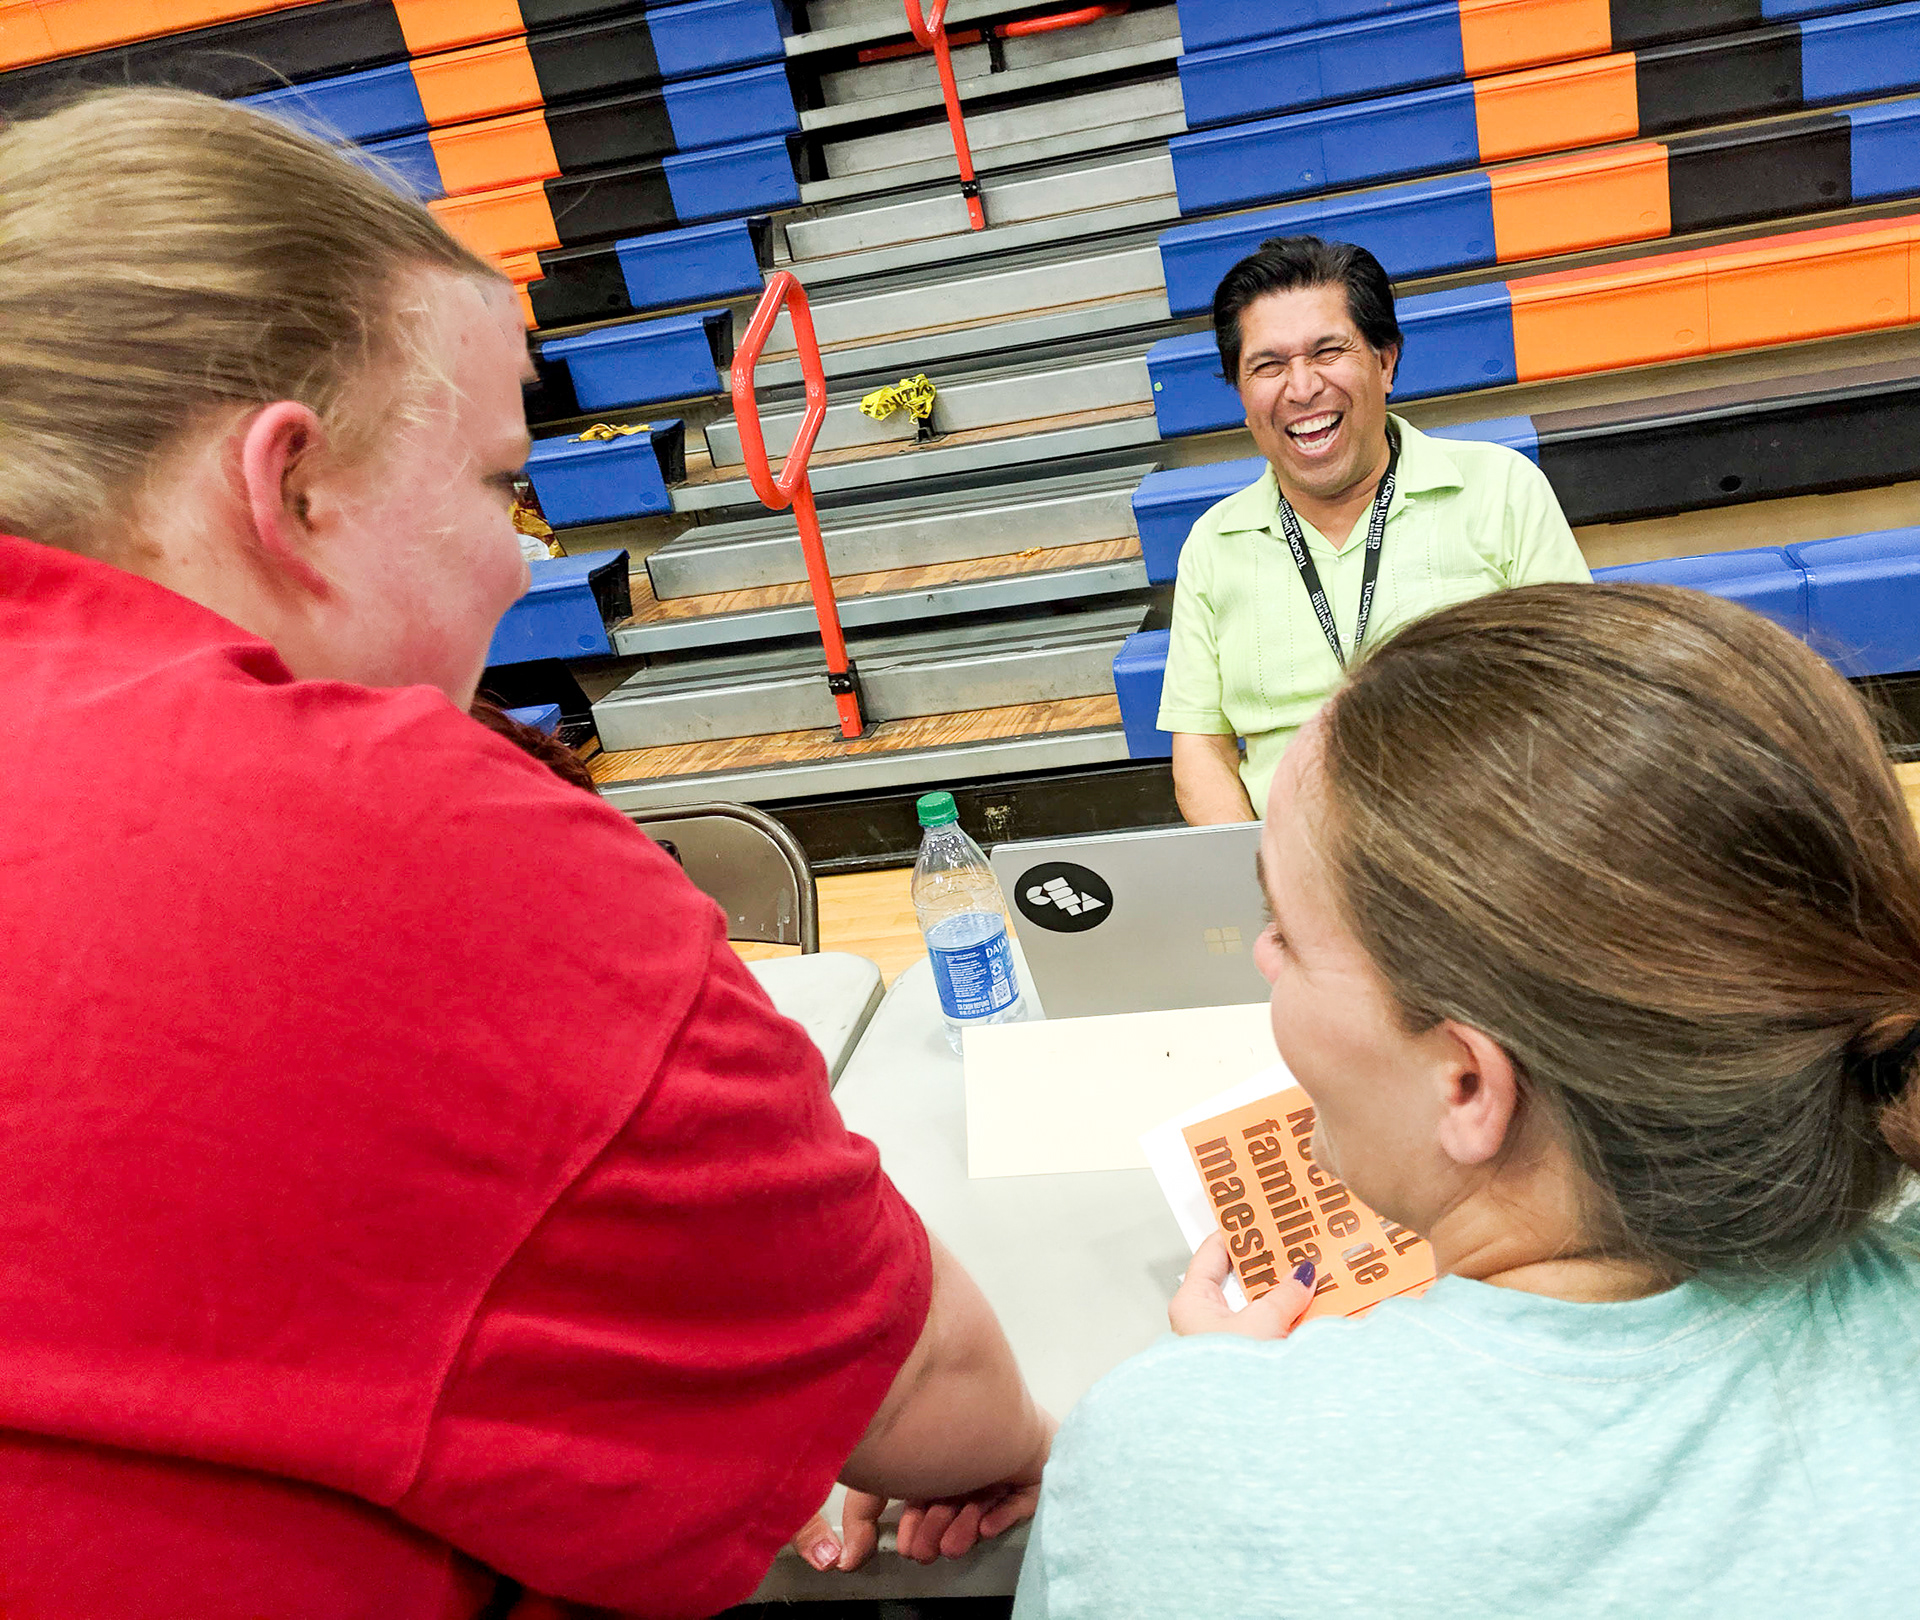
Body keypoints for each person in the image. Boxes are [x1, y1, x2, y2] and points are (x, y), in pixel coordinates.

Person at [0, 89, 1050, 1619]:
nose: (522, 553)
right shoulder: (384, 829)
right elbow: (929, 1394)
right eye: (505, 483)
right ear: (290, 488)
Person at [1017, 583, 1920, 1617]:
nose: (1265, 956)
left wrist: (1214, 1424)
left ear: (1468, 1085)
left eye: (1292, 937)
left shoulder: (1162, 1461)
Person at [1159, 236, 1589, 824]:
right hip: (1296, 884)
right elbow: (1201, 753)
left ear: (1385, 362)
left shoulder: (1502, 488)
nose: (1302, 387)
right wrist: (1268, 885)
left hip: (1484, 862)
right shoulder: (1212, 545)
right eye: (1268, 365)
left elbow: (1579, 696)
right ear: (1241, 393)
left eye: (1327, 352)